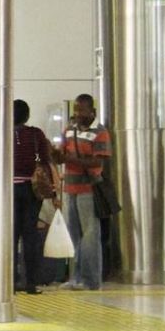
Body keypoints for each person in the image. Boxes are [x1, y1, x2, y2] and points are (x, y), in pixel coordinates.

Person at [57, 93, 111, 290]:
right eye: (76, 110)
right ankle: (75, 278)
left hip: (89, 189)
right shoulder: (69, 130)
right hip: (70, 188)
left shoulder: (100, 132)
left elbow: (98, 161)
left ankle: (90, 280)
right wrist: (55, 155)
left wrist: (70, 160)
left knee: (90, 235)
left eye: (82, 110)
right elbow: (62, 155)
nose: (78, 114)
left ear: (93, 111)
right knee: (73, 234)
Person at [11, 99, 56, 294]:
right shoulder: (36, 134)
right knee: (30, 235)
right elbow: (45, 161)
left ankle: (10, 282)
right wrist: (53, 190)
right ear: (27, 116)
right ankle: (31, 283)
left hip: (8, 190)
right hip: (32, 190)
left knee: (10, 236)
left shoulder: (1, 134)